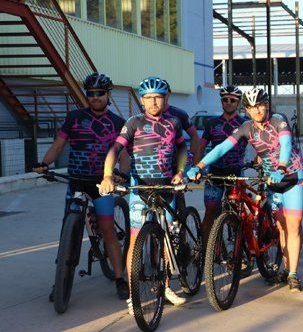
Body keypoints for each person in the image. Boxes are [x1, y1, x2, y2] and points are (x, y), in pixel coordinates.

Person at [188, 88, 303, 291]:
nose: (257, 111)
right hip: (271, 179)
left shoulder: (279, 120)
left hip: (292, 175)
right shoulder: (246, 127)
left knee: (293, 224)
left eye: (260, 105)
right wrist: (199, 165)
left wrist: (282, 166)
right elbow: (222, 148)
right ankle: (285, 268)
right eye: (252, 107)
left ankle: (293, 273)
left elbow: (285, 144)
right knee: (281, 226)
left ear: (266, 105)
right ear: (247, 110)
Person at [34, 73, 128, 300]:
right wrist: (45, 163)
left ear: (108, 95)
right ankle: (61, 280)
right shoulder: (74, 117)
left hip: (101, 184)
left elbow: (124, 155)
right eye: (91, 93)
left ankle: (119, 278)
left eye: (100, 93)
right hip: (76, 181)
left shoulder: (117, 123)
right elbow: (58, 145)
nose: (95, 97)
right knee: (68, 229)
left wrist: (121, 174)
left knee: (107, 230)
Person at [99, 76, 189, 305]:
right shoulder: (133, 122)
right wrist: (108, 175)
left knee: (166, 239)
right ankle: (133, 295)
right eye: (148, 98)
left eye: (158, 97)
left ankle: (166, 286)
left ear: (165, 98)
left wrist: (180, 171)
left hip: (166, 188)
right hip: (140, 190)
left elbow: (181, 148)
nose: (153, 102)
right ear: (142, 100)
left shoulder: (174, 123)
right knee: (135, 240)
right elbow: (115, 149)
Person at [192, 85, 248, 243]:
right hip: (215, 172)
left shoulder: (245, 123)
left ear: (238, 102)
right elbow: (201, 147)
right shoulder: (211, 123)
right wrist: (196, 168)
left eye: (232, 100)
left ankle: (240, 252)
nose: (228, 102)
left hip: (236, 173)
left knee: (238, 213)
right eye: (225, 99)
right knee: (210, 211)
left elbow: (257, 144)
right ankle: (205, 251)